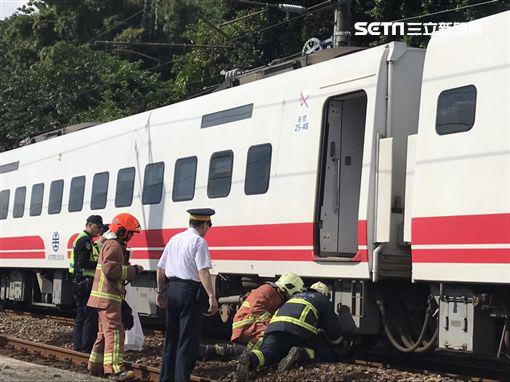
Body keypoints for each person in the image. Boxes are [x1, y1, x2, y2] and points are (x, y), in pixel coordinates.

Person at [156, 208, 218, 382]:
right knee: (187, 339)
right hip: (189, 293)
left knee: (171, 337)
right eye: (209, 225)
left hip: (172, 290)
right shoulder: (198, 242)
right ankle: (181, 378)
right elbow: (203, 271)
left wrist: (161, 292)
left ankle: (166, 378)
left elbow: (160, 269)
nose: (208, 229)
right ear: (204, 224)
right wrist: (211, 296)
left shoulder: (174, 239)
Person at [236, 282, 344, 381]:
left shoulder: (293, 297)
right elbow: (332, 328)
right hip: (299, 331)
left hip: (274, 328)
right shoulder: (322, 299)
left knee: (270, 351)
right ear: (324, 293)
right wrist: (338, 344)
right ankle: (300, 353)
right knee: (319, 350)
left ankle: (250, 358)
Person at [87, 213, 144, 381]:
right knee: (115, 332)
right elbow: (111, 269)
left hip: (104, 297)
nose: (131, 237)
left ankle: (95, 365)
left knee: (104, 334)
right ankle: (114, 370)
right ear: (121, 231)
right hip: (108, 297)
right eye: (130, 233)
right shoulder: (114, 245)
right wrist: (132, 271)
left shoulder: (110, 243)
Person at [198, 273, 304, 361]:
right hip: (246, 322)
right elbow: (255, 309)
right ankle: (249, 357)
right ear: (289, 287)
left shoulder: (276, 294)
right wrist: (272, 323)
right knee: (268, 336)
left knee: (269, 339)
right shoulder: (268, 290)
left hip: (252, 322)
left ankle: (248, 356)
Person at [69, 215, 103, 353]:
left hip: (79, 281)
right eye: (97, 226)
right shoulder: (85, 241)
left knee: (81, 316)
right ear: (89, 225)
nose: (99, 229)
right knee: (88, 316)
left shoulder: (82, 238)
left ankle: (79, 346)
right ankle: (85, 348)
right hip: (84, 282)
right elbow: (83, 263)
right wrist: (100, 264)